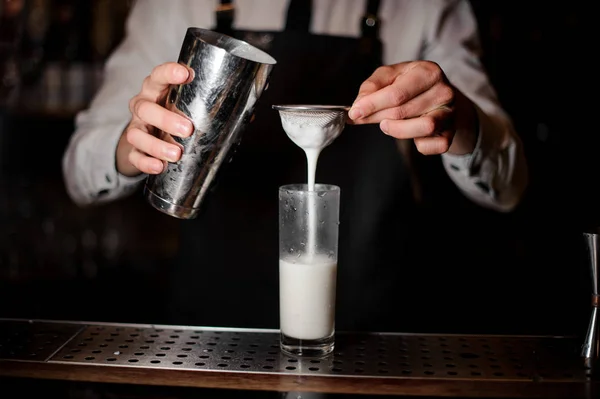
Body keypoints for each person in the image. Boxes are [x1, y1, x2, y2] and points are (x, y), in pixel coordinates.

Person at [62, 0, 529, 333]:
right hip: (213, 331)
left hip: (371, 328)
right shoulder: (173, 6)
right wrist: (131, 144)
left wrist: (463, 121)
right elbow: (79, 171)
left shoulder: (423, 7)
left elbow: (509, 187)